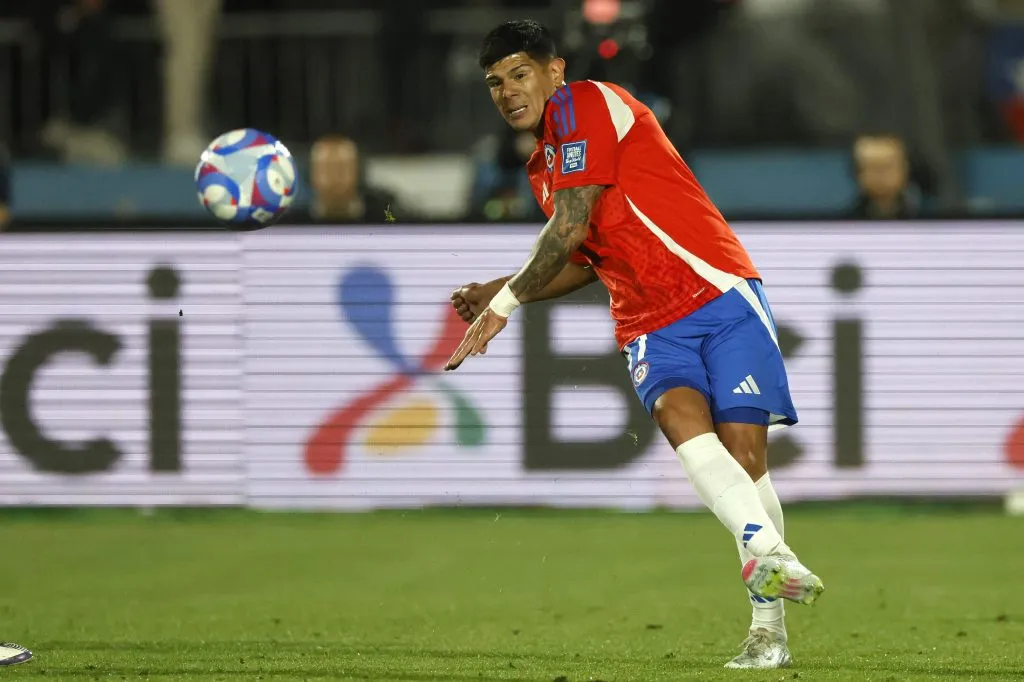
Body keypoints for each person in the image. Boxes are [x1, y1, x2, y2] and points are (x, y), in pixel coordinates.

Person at [444, 20, 824, 670]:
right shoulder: (543, 167)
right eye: (495, 82)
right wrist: (502, 286)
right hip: (647, 319)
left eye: (519, 73)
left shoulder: (589, 105)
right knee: (678, 418)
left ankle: (769, 625)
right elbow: (585, 259)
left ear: (554, 71)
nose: (507, 91)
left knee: (745, 454)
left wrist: (505, 304)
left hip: (717, 290)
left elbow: (568, 230)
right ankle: (772, 565)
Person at [298, 135, 403, 224]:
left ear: (358, 172)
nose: (335, 179)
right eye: (328, 170)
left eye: (341, 170)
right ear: (311, 175)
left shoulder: (387, 216)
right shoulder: (292, 223)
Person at [848, 134, 920, 219]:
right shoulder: (844, 223)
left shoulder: (928, 217)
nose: (879, 176)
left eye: (886, 167)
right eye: (872, 168)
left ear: (904, 170)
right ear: (858, 174)